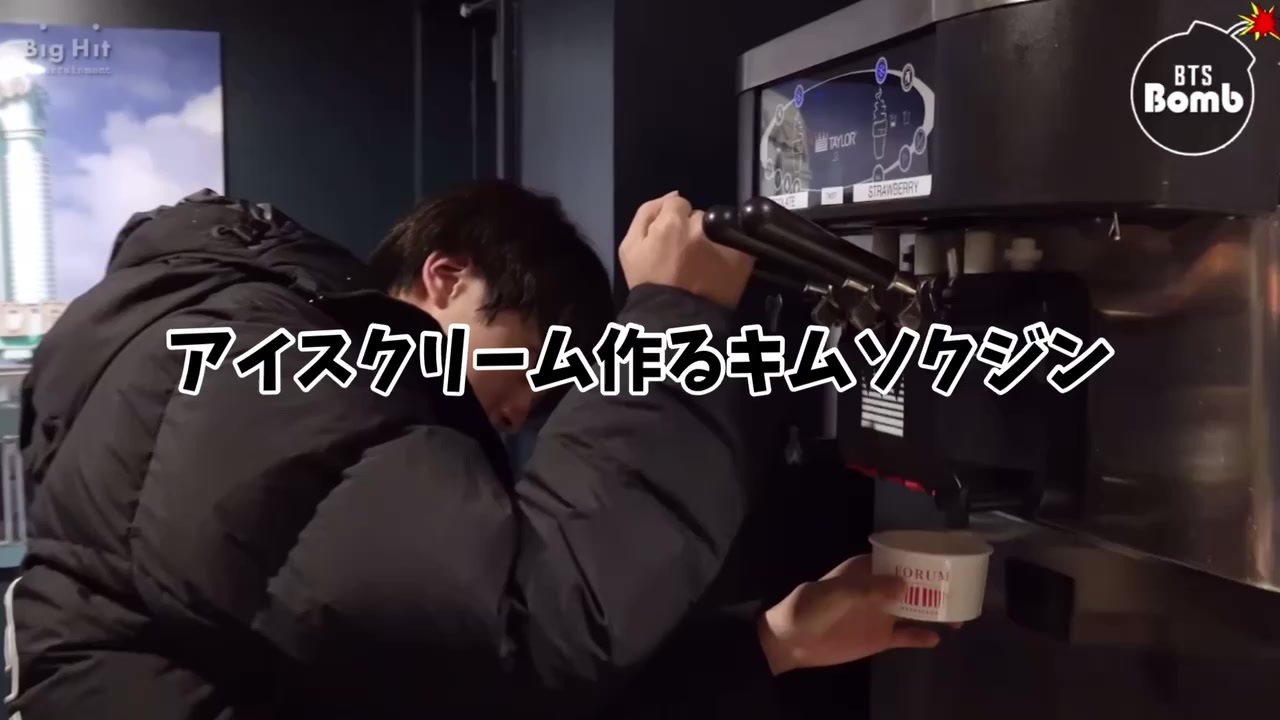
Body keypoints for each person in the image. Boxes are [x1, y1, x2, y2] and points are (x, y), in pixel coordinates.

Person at [5, 182, 942, 720]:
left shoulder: (258, 367)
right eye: (528, 360)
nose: (523, 409)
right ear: (448, 278)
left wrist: (775, 642)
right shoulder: (239, 361)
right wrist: (678, 318)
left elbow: (459, 676)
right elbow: (533, 626)